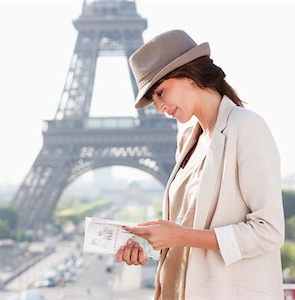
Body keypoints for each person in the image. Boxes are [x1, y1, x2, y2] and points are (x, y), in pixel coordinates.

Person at [115, 29, 285, 299]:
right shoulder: (187, 140)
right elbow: (185, 232)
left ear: (188, 75)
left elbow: (269, 231)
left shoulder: (246, 127)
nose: (159, 108)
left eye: (160, 93)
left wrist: (179, 236)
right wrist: (148, 244)